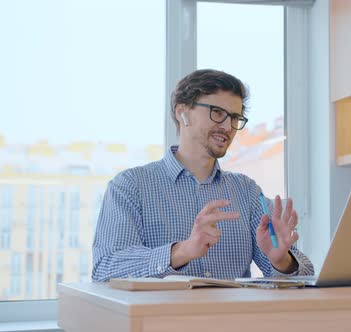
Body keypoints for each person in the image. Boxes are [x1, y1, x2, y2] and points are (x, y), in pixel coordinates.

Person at [92, 69, 314, 282]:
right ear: (183, 113)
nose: (228, 126)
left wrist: (281, 261)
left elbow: (304, 275)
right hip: (162, 321)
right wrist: (182, 251)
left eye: (235, 117)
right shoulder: (130, 186)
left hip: (236, 320)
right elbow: (106, 268)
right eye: (217, 113)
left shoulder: (246, 191)